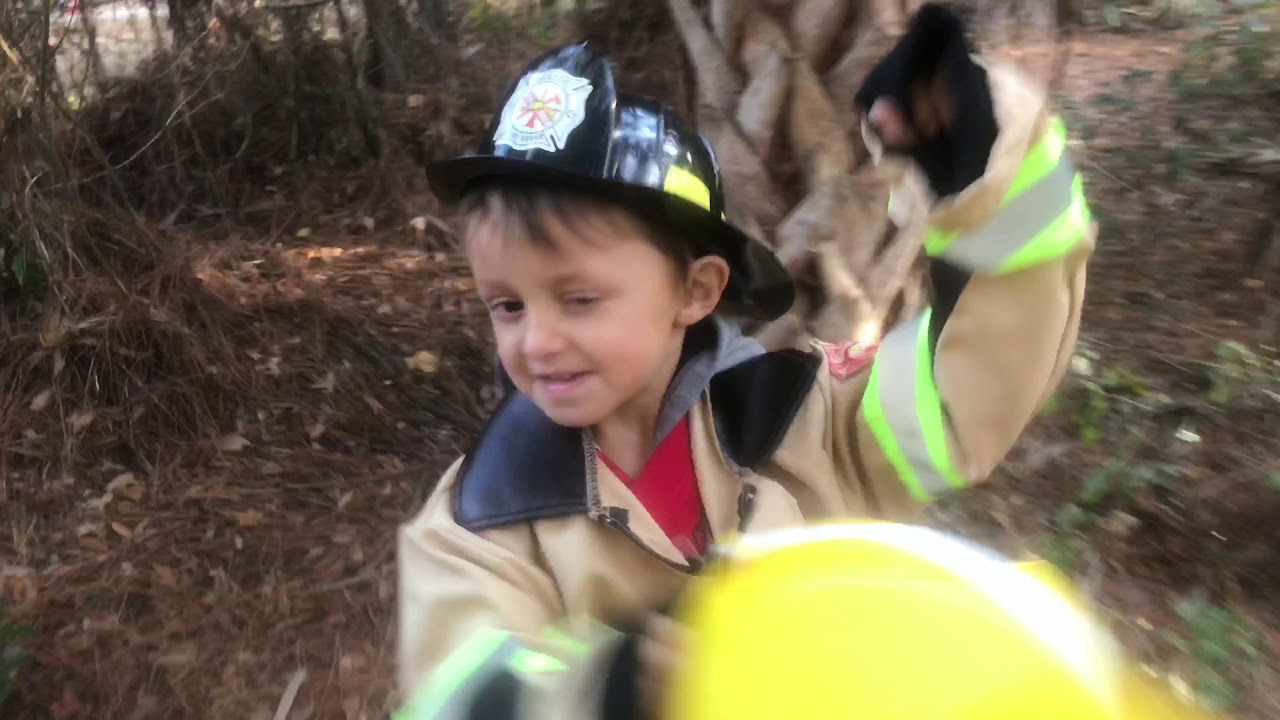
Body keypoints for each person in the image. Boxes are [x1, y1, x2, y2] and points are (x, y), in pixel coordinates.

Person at [397, 3, 1097, 717]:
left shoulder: (801, 417)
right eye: (507, 306)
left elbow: (964, 399)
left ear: (696, 291)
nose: (535, 341)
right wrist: (614, 689)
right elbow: (456, 691)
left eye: (579, 299)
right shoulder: (476, 526)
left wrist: (988, 175)